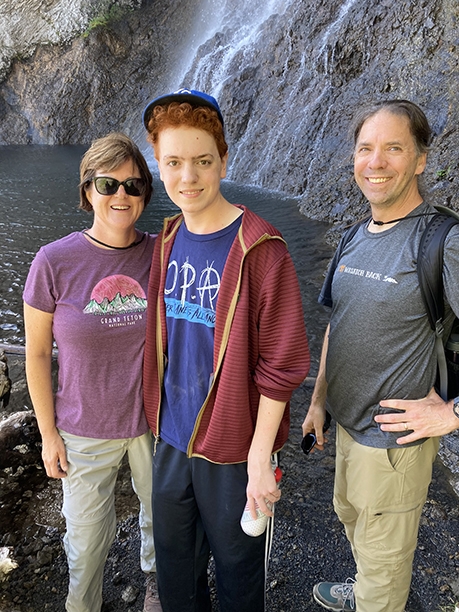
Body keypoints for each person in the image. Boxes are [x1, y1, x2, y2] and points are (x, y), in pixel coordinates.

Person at [141, 88, 310, 612]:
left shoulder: (262, 248)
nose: (186, 177)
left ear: (224, 161)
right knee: (175, 570)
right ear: (158, 164)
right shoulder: (167, 238)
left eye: (201, 161)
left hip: (235, 448)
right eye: (173, 162)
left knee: (239, 576)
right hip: (171, 440)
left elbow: (282, 366)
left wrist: (261, 458)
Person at [302, 99, 459, 612]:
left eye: (393, 148)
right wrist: (319, 402)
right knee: (354, 521)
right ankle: (368, 586)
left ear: (419, 160)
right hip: (348, 427)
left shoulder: (443, 240)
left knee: (385, 561)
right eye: (366, 148)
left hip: (393, 445)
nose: (376, 161)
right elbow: (336, 326)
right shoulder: (354, 235)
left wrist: (452, 414)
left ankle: (376, 596)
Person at [23, 133, 162, 612]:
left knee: (160, 521)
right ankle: (83, 603)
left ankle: (155, 587)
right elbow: (37, 355)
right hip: (82, 427)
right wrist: (48, 435)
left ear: (145, 194)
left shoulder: (162, 252)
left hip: (154, 424)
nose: (121, 195)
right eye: (108, 184)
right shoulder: (52, 262)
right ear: (87, 190)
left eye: (134, 185)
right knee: (84, 538)